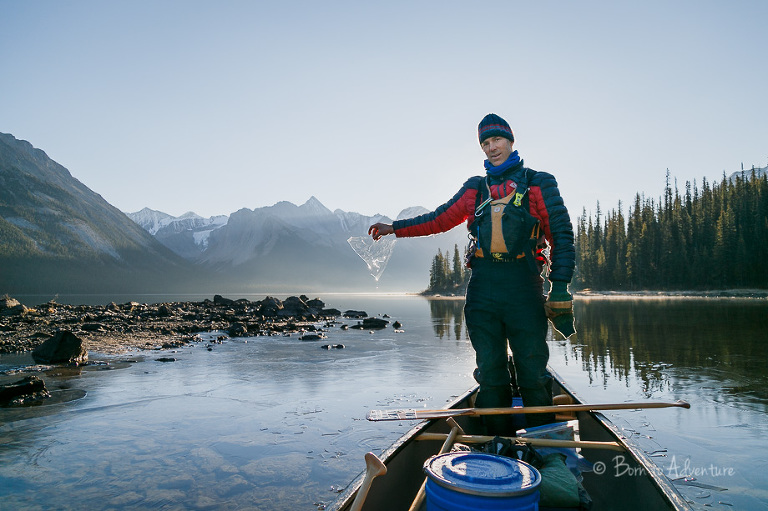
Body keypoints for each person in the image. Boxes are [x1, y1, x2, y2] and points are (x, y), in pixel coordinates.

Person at [369, 113, 575, 434]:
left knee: (533, 373)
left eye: (497, 140)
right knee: (491, 374)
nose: (492, 148)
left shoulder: (539, 183)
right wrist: (395, 228)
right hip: (482, 292)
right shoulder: (474, 190)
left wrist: (560, 287)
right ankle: (496, 444)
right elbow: (437, 220)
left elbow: (561, 235)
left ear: (511, 141)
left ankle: (544, 450)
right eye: (485, 143)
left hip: (524, 289)